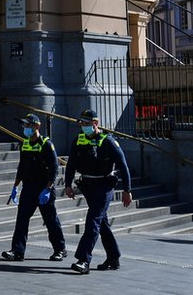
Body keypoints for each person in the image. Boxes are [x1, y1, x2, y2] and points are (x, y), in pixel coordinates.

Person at [64, 108, 133, 274]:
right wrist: (68, 185)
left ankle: (83, 260)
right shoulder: (78, 141)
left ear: (95, 123)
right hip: (88, 185)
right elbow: (71, 164)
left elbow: (123, 165)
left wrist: (127, 190)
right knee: (101, 222)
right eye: (82, 123)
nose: (83, 126)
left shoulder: (108, 141)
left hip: (104, 185)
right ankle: (113, 257)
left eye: (86, 123)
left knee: (93, 220)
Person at [1, 113, 67, 262]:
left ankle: (60, 249)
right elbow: (21, 167)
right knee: (22, 219)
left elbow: (54, 168)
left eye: (28, 125)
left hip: (43, 187)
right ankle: (17, 250)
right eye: (24, 125)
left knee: (50, 220)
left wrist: (48, 189)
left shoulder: (46, 144)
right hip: (28, 187)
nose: (25, 128)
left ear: (37, 126)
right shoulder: (24, 143)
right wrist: (15, 186)